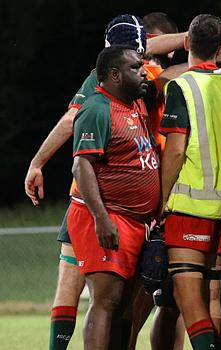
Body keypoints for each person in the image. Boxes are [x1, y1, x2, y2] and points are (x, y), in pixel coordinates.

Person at [24, 14, 150, 350]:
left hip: (118, 209)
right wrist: (37, 162)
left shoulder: (136, 81)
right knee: (91, 294)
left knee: (104, 296)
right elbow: (72, 123)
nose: (143, 64)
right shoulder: (102, 86)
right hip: (94, 204)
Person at [159, 14, 221, 350]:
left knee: (188, 298)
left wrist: (161, 199)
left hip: (189, 205)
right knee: (211, 297)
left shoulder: (181, 87)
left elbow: (176, 151)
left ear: (188, 44)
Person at [69, 45, 160, 349]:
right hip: (110, 217)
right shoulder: (97, 108)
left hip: (135, 221)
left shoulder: (133, 103)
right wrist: (101, 218)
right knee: (105, 301)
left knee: (123, 306)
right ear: (114, 74)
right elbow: (82, 166)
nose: (144, 72)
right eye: (136, 67)